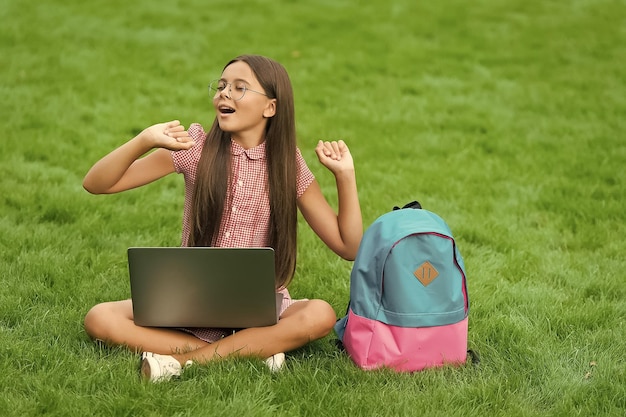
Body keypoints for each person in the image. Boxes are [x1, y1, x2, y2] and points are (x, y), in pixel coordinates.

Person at [82, 55, 363, 382]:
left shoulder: (287, 164)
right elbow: (97, 184)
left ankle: (186, 362)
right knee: (99, 318)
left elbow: (348, 246)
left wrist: (346, 176)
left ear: (270, 108)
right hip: (191, 301)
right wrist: (143, 139)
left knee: (320, 314)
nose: (224, 94)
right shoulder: (195, 147)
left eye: (240, 88)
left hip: (260, 308)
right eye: (221, 86)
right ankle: (252, 349)